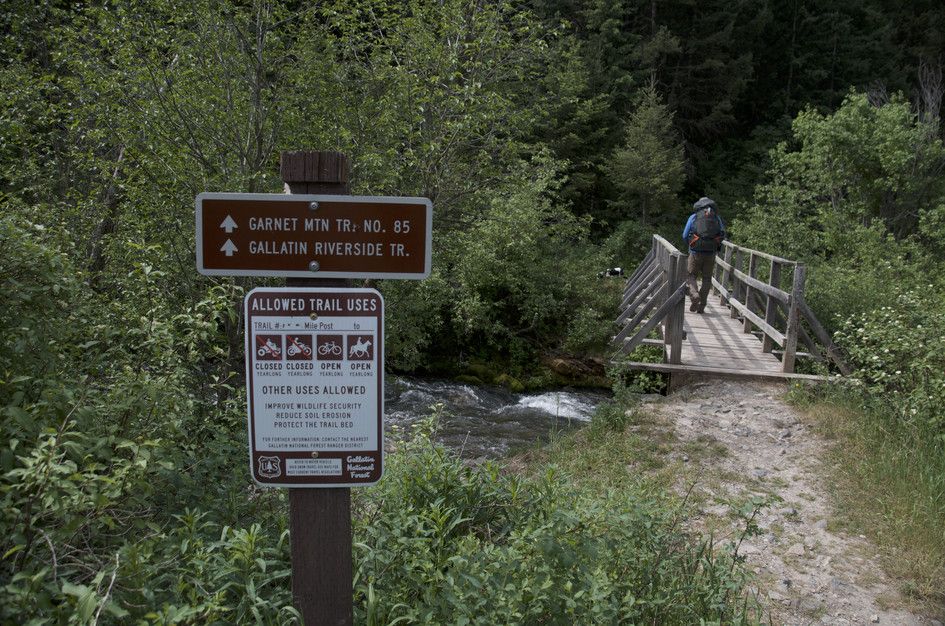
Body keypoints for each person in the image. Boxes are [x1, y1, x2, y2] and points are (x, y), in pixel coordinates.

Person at [682, 197, 726, 313]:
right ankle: (702, 304)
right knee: (707, 278)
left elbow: (685, 235)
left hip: (695, 252)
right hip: (711, 253)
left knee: (691, 275)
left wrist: (691, 245)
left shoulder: (694, 217)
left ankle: (694, 295)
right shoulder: (716, 217)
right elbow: (722, 234)